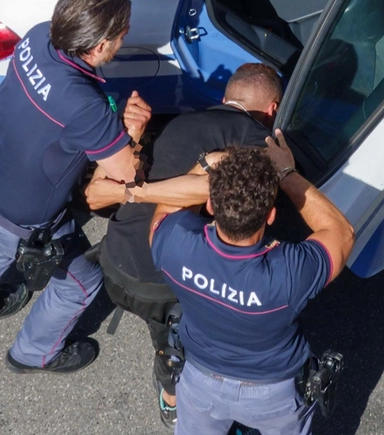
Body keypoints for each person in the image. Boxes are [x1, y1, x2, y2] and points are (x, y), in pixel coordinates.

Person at [0, 0, 152, 375]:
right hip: (19, 218)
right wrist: (134, 132)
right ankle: (34, 353)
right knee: (81, 280)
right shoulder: (85, 108)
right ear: (97, 47)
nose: (125, 38)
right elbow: (127, 173)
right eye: (122, 33)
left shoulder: (39, 36)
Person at [86, 63, 284, 428]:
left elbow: (106, 191)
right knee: (172, 342)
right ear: (272, 110)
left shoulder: (180, 122)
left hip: (114, 260)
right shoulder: (258, 147)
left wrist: (128, 193)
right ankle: (171, 395)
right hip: (157, 284)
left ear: (225, 99)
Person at [149, 134, 355, 435]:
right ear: (271, 215)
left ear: (209, 203)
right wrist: (286, 173)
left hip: (200, 379)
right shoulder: (289, 274)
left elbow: (165, 206)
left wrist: (205, 164)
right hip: (275, 392)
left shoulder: (174, 244)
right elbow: (342, 232)